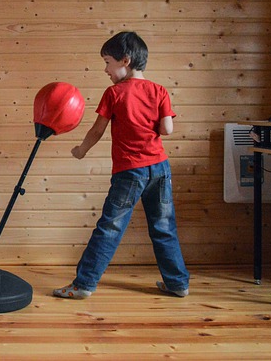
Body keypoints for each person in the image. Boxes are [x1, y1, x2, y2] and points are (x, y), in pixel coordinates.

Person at [53, 31, 190, 300]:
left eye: (107, 62)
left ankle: (83, 285)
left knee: (110, 227)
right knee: (164, 227)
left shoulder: (114, 93)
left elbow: (97, 130)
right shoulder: (159, 90)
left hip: (130, 171)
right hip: (160, 169)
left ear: (125, 60)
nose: (105, 69)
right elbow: (168, 129)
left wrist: (81, 150)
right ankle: (178, 284)